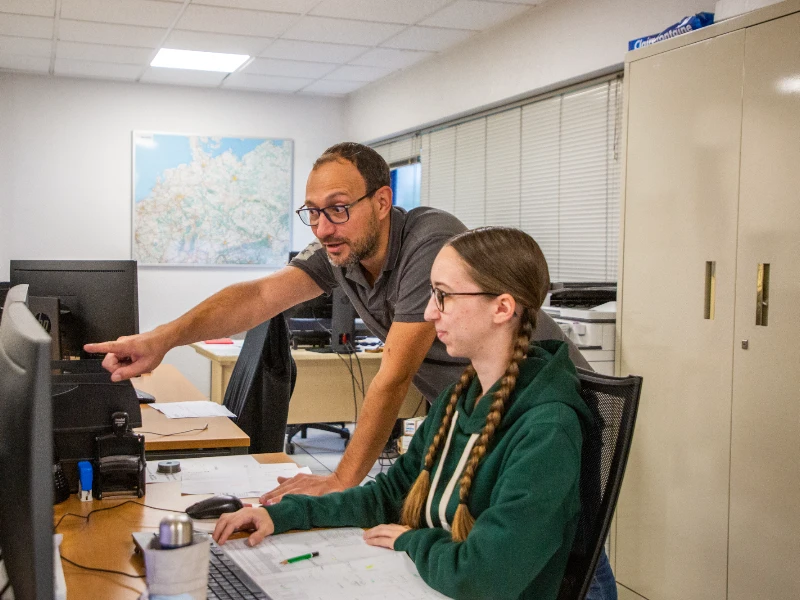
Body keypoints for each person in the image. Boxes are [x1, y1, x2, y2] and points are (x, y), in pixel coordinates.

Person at [85, 142, 616, 598]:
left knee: (561, 549)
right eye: (312, 212)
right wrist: (162, 338)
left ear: (382, 202)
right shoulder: (346, 257)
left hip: (528, 406)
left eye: (337, 209)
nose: (322, 226)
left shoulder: (430, 244)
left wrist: (342, 478)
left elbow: (393, 375)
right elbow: (262, 295)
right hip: (479, 404)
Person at [213, 227, 591, 600]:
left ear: (502, 308)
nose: (429, 311)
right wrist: (282, 516)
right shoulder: (459, 399)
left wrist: (412, 541)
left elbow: (484, 576)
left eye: (443, 296)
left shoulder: (547, 429)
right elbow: (389, 497)